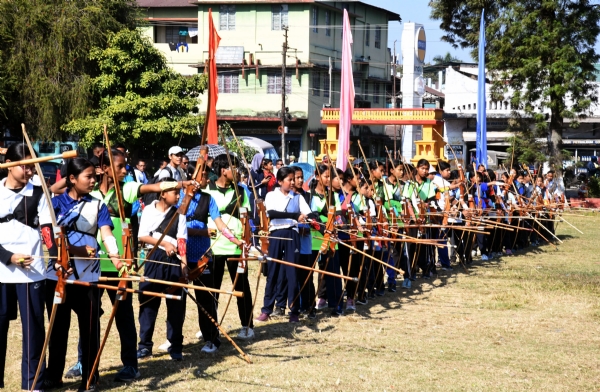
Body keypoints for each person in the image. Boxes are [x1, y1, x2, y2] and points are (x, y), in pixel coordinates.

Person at [44, 158, 120, 392]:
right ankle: (54, 376)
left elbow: (106, 234)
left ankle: (90, 377)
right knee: (58, 328)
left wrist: (117, 259)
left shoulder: (97, 205)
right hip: (58, 274)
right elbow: (50, 237)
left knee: (89, 329)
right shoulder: (53, 204)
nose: (93, 180)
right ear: (73, 179)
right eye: (88, 176)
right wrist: (73, 251)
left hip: (88, 276)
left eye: (94, 176)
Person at [172, 165, 243, 354]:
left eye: (206, 176)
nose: (206, 179)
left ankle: (211, 338)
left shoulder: (208, 198)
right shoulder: (178, 196)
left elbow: (219, 224)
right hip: (182, 255)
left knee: (207, 299)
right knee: (178, 299)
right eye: (202, 176)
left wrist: (236, 240)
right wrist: (187, 197)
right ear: (192, 177)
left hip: (203, 255)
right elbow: (175, 223)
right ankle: (174, 341)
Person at [0, 143, 52, 391]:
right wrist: (8, 257)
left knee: (33, 328)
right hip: (1, 270)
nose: (31, 172)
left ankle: (34, 384)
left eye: (33, 167)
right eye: (26, 166)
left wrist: (54, 255)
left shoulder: (39, 193)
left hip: (32, 272)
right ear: (9, 164)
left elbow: (47, 230)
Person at [204, 154, 255, 339]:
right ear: (223, 170)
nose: (237, 171)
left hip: (236, 246)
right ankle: (210, 326)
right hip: (214, 246)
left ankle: (247, 325)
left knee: (241, 287)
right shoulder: (207, 191)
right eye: (233, 167)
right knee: (212, 289)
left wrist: (246, 240)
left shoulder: (241, 191)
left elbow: (246, 217)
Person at [137, 178, 188, 362]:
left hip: (173, 260)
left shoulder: (179, 214)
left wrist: (184, 264)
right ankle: (144, 346)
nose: (178, 195)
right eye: (174, 192)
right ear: (163, 194)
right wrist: (164, 242)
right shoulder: (149, 210)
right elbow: (142, 235)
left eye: (178, 192)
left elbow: (182, 240)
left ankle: (175, 345)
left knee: (176, 304)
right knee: (148, 301)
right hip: (154, 258)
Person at [255, 167, 312, 323]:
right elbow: (272, 213)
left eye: (294, 179)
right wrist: (294, 215)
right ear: (280, 181)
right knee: (272, 271)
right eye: (289, 179)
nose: (293, 182)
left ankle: (294, 310)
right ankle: (267, 309)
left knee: (292, 273)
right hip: (276, 234)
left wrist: (313, 218)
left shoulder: (298, 197)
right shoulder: (271, 195)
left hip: (292, 235)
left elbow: (308, 213)